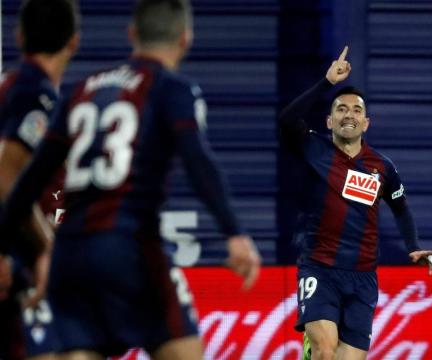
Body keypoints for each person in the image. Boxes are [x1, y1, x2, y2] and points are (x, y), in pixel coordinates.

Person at [0, 0, 261, 359]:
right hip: (130, 246)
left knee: (80, 351)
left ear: (131, 34)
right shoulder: (171, 88)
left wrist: (2, 246)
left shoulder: (81, 90)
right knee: (184, 349)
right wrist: (234, 232)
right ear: (185, 39)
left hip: (69, 254)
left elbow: (28, 180)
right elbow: (198, 161)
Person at [279, 46, 432, 360]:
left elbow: (401, 209)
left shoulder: (383, 167)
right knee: (326, 351)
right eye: (340, 109)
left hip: (363, 277)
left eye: (355, 110)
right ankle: (315, 348)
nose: (348, 114)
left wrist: (413, 246)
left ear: (366, 123)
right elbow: (286, 120)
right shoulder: (314, 149)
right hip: (319, 268)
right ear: (328, 121)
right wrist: (327, 83)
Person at [0, 0, 79, 358]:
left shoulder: (12, 88)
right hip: (15, 261)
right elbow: (6, 179)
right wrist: (46, 249)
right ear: (73, 42)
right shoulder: (35, 94)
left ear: (18, 36)